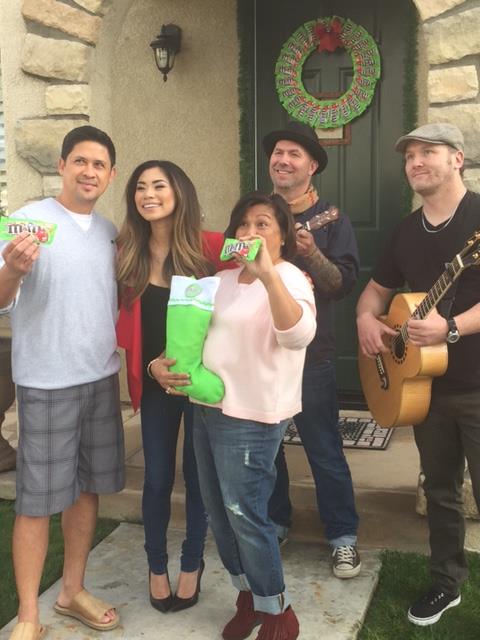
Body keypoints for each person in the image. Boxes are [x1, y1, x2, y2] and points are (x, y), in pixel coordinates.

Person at [0, 125, 124, 640]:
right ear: (62, 165)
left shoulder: (110, 232)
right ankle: (29, 616)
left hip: (100, 377)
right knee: (36, 501)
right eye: (80, 161)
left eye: (99, 165)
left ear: (110, 175)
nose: (89, 172)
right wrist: (12, 270)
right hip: (46, 382)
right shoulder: (27, 222)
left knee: (86, 489)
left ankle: (72, 590)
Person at [356, 122, 480, 626]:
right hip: (424, 389)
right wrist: (366, 320)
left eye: (428, 152)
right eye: (409, 156)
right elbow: (375, 292)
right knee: (441, 491)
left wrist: (451, 327)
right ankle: (446, 583)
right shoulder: (405, 232)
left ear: (457, 159)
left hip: (477, 384)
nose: (416, 162)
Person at [183, 191, 316, 640]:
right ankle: (249, 597)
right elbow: (194, 337)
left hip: (252, 415)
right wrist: (163, 364)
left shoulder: (289, 277)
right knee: (219, 515)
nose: (250, 231)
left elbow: (297, 336)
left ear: (283, 236)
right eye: (243, 223)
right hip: (206, 408)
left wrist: (268, 277)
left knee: (247, 514)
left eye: (263, 223)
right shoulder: (219, 280)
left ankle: (279, 612)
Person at [116, 160, 227, 613]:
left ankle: (192, 562)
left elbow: (259, 274)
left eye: (159, 185)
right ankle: (156, 565)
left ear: (179, 192)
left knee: (199, 478)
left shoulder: (212, 247)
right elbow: (126, 327)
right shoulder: (126, 253)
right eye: (140, 187)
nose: (149, 194)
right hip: (157, 383)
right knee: (158, 477)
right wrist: (152, 368)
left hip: (201, 385)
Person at [264, 121, 361, 578]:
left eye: (294, 154)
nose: (282, 160)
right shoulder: (256, 211)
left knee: (324, 449)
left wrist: (312, 254)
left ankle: (343, 537)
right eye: (278, 152)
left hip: (312, 356)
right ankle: (275, 522)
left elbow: (341, 285)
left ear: (312, 166)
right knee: (267, 449)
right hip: (261, 352)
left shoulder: (332, 221)